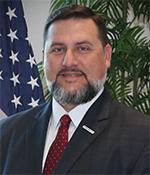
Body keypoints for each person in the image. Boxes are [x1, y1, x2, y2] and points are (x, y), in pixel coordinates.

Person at [0, 4, 150, 175]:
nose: (69, 61)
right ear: (44, 57)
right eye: (58, 49)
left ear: (106, 56)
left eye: (83, 48)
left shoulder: (142, 137)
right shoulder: (6, 133)